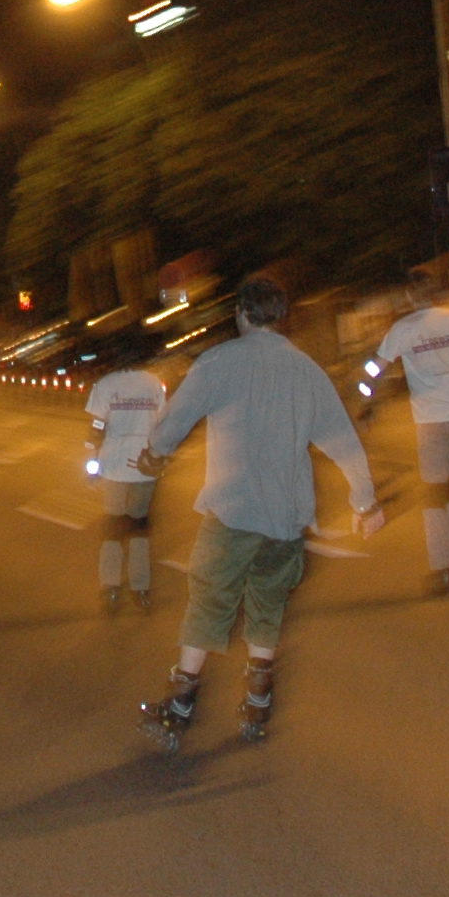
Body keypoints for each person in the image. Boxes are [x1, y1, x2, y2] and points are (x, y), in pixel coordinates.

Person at [134, 273, 384, 748]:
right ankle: (258, 701)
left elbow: (176, 419)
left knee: (209, 600)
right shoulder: (307, 371)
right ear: (281, 317)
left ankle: (180, 705)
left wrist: (154, 453)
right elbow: (343, 441)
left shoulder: (220, 361)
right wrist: (365, 501)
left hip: (233, 510)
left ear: (242, 314)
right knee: (268, 606)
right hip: (288, 518)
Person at [367, 267, 449, 595]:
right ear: (433, 291)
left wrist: (367, 396)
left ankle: (442, 569)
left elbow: (376, 368)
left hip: (432, 418)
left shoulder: (402, 329)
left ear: (410, 296)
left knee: (435, 493)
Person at [80, 338, 172, 612]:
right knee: (139, 527)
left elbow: (97, 427)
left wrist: (91, 460)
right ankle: (140, 588)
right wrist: (162, 456)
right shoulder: (153, 384)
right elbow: (163, 423)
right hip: (144, 464)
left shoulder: (106, 384)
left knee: (114, 526)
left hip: (114, 463)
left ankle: (110, 587)